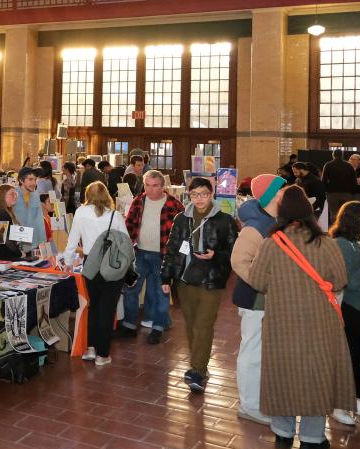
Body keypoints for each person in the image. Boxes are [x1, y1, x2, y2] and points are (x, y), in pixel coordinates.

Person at [248, 185, 354, 449]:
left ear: (281, 213)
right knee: (315, 375)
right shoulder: (326, 242)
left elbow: (258, 281)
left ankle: (283, 432)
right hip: (320, 321)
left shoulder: (271, 244)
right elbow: (340, 281)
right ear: (310, 212)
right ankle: (312, 438)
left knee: (282, 372)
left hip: (281, 320)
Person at [161, 176, 237, 394]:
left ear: (211, 195)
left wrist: (216, 255)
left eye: (203, 194)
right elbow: (172, 249)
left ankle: (197, 369)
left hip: (211, 280)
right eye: (194, 195)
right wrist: (165, 277)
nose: (199, 199)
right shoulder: (181, 219)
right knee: (192, 324)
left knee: (203, 325)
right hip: (185, 280)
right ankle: (200, 367)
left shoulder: (224, 220)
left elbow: (235, 253)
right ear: (189, 196)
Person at [229, 173, 288, 425]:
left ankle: (260, 399)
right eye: (283, 189)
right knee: (252, 350)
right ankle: (249, 405)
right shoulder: (256, 226)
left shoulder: (274, 221)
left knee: (262, 350)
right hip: (255, 299)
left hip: (268, 298)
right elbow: (239, 261)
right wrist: (264, 283)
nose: (288, 192)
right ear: (272, 194)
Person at [62, 181, 128, 366]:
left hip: (90, 264)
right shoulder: (115, 216)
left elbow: (72, 239)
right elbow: (125, 243)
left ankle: (90, 348)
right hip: (111, 264)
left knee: (94, 307)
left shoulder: (81, 213)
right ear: (106, 195)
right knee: (107, 309)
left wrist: (67, 262)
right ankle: (103, 354)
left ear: (87, 195)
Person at [119, 169, 184, 344]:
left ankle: (158, 327)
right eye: (147, 185)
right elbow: (129, 225)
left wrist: (177, 256)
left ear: (163, 186)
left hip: (163, 256)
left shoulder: (174, 205)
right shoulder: (139, 201)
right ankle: (129, 324)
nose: (150, 189)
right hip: (139, 253)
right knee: (131, 289)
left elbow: (183, 233)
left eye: (155, 186)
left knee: (159, 292)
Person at [328, 201, 360, 422]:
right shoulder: (343, 244)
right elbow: (347, 279)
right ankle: (339, 403)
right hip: (352, 307)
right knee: (351, 355)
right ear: (355, 219)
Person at [14, 167, 49, 255]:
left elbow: (39, 221)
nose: (34, 183)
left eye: (35, 179)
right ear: (21, 181)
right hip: (16, 246)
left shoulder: (35, 195)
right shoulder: (12, 196)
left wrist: (43, 245)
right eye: (30, 179)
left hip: (33, 246)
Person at [322, 150, 356, 218]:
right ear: (342, 155)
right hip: (346, 193)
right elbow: (354, 181)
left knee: (334, 214)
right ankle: (345, 228)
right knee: (345, 214)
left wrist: (326, 190)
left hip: (332, 193)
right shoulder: (349, 165)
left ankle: (335, 228)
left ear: (333, 155)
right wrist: (351, 191)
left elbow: (323, 181)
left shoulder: (328, 165)